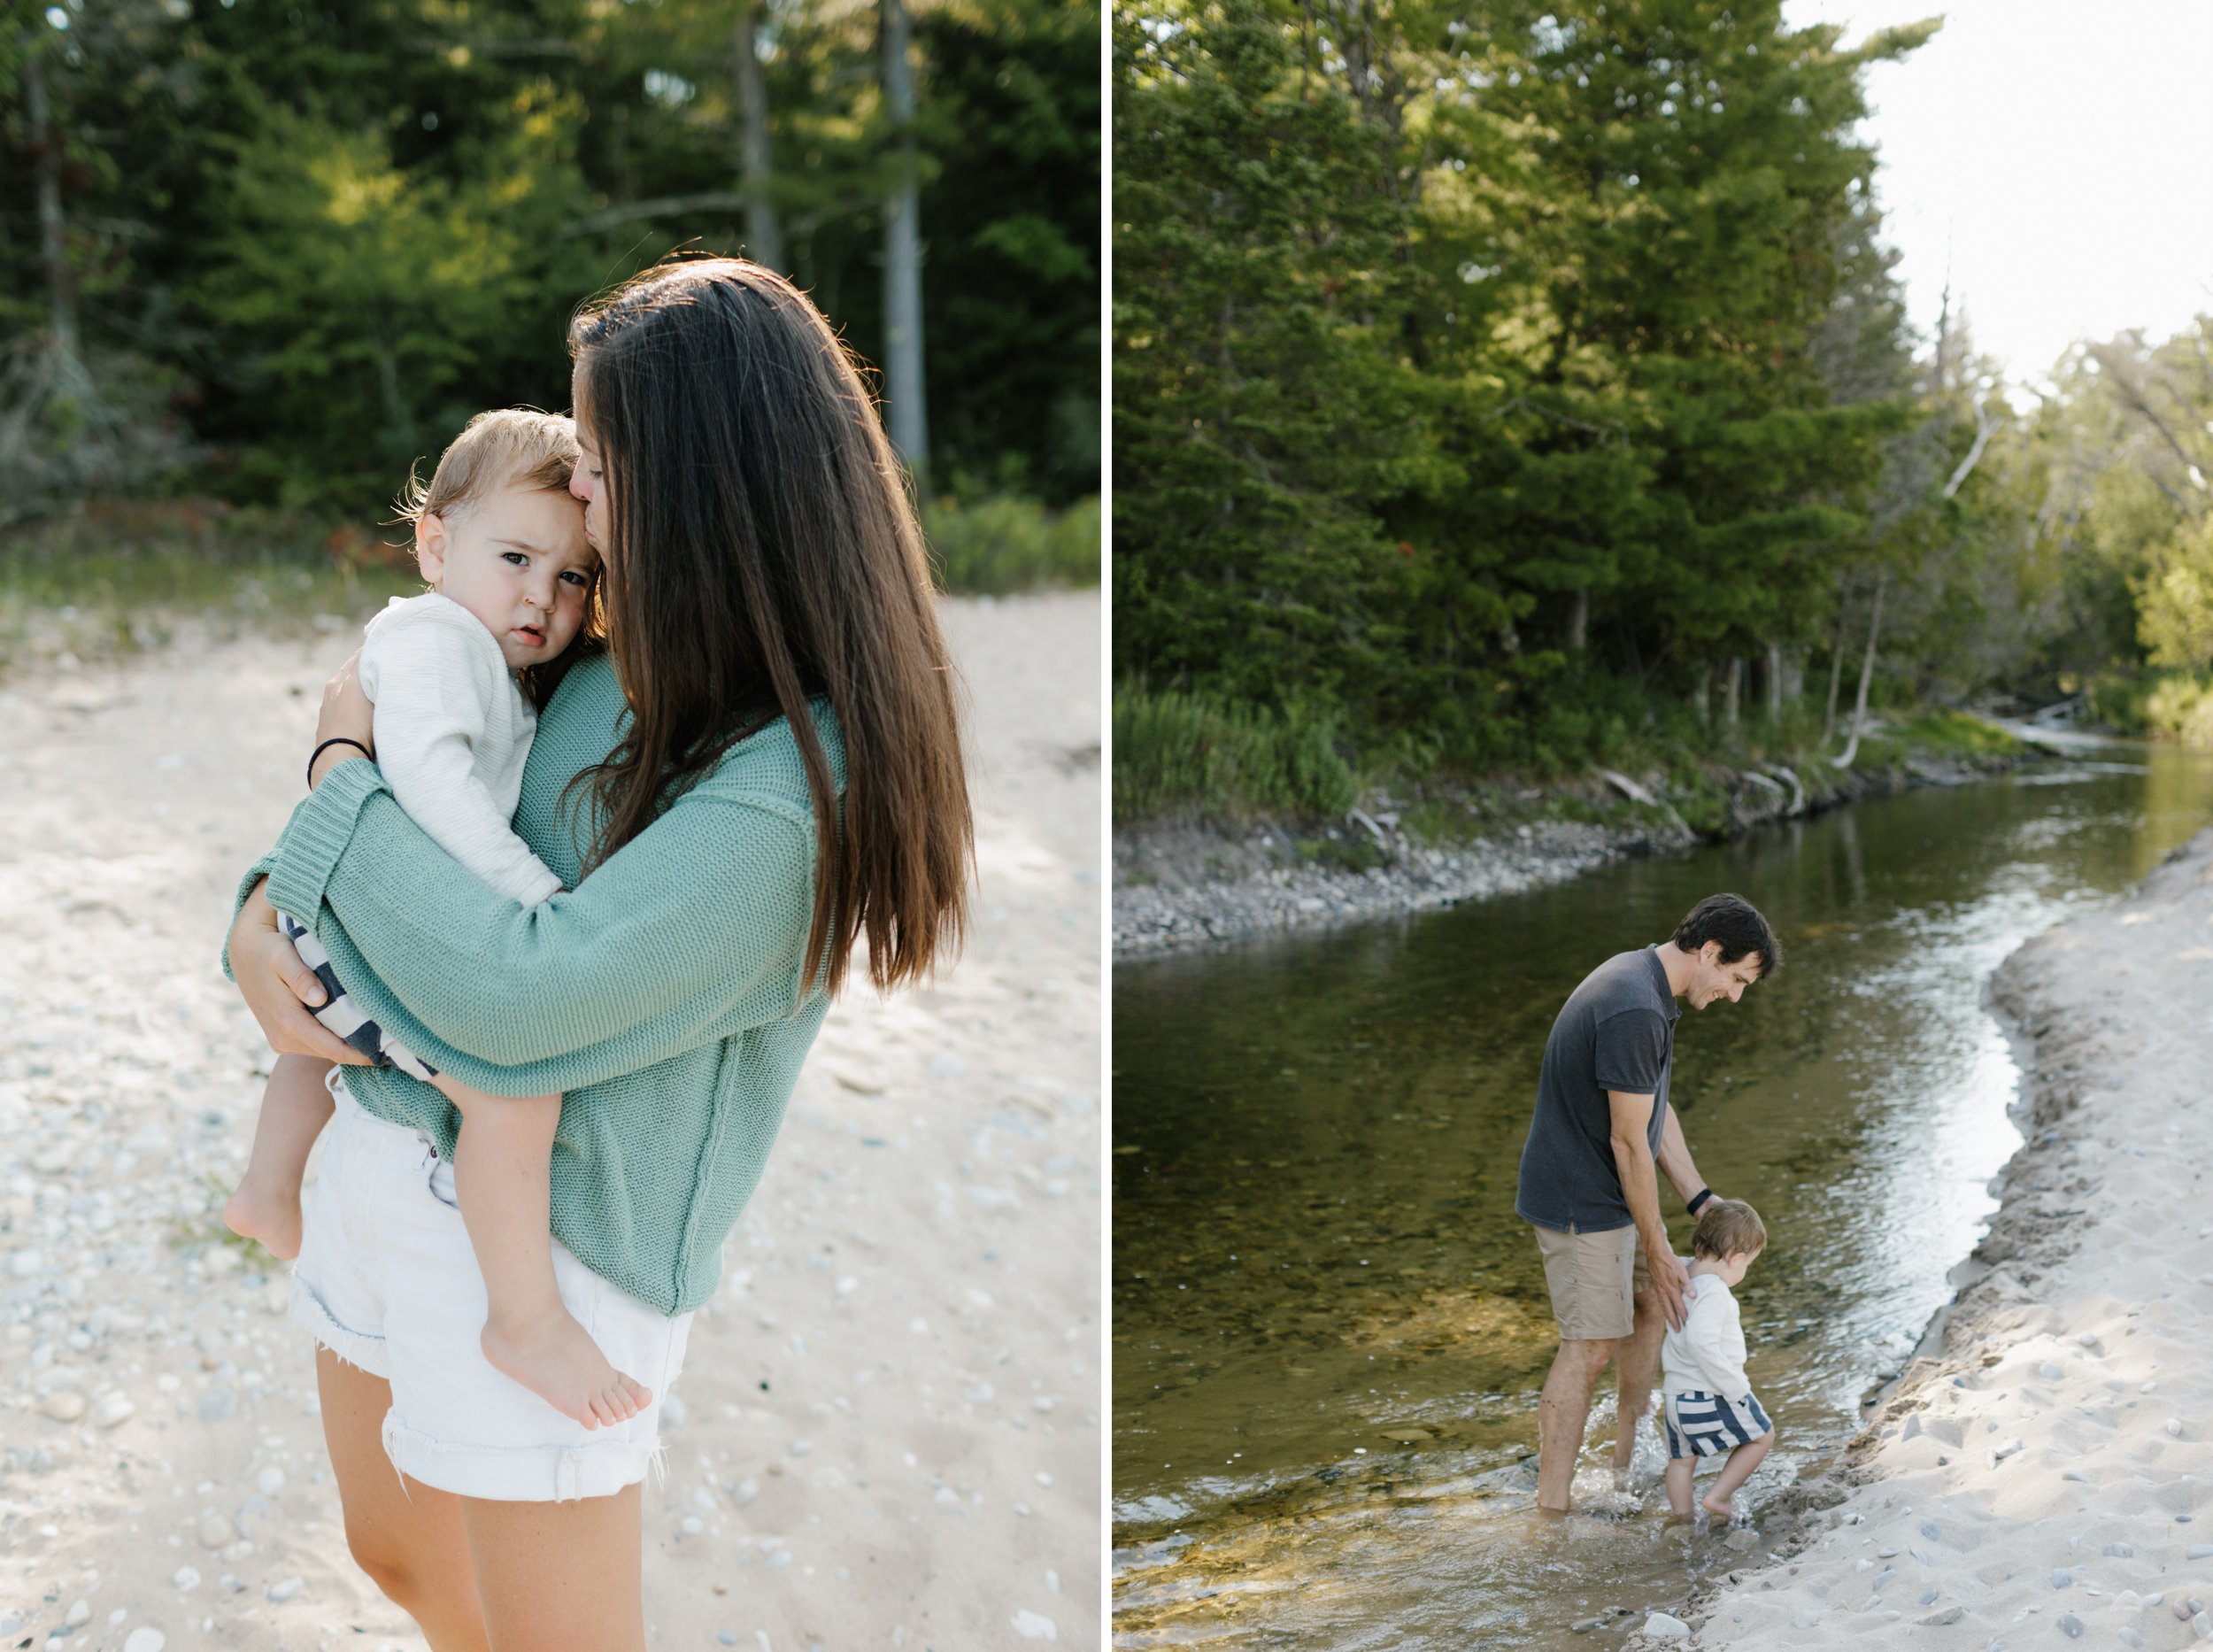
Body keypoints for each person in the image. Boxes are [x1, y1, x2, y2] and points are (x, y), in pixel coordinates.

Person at [223, 259, 972, 1652]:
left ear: (701, 483)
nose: (581, 496)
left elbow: (523, 995)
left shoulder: (802, 780)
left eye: (608, 464)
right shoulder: (593, 651)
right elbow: (422, 810)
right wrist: (260, 907)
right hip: (382, 1149)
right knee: (400, 1562)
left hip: (557, 1255)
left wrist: (328, 770)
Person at [222, 407, 655, 1430]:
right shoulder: (433, 641)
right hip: (379, 911)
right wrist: (526, 890)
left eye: (571, 579)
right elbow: (424, 778)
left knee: (313, 1048)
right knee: (512, 1099)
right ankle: (524, 1319)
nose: (540, 597)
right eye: (514, 558)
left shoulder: (481, 654)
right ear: (433, 544)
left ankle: (267, 1187)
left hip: (351, 909)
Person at [1514, 892, 1779, 1514]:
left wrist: (1701, 1202)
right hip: (1579, 1198)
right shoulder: (1634, 1004)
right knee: (1589, 1346)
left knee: (1656, 1308)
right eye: (1736, 978)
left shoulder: (1654, 989)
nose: (1735, 996)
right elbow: (1628, 1140)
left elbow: (1657, 1111)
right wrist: (1659, 1245)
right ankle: (1550, 1512)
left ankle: (1620, 1470)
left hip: (1613, 1193)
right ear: (1710, 952)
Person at [1658, 1198, 1773, 1522]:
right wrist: (1736, 1387)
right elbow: (1701, 1343)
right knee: (1763, 1436)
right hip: (1706, 1392)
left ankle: (1682, 1518)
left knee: (1681, 1461)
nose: (1745, 1270)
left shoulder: (1681, 1275)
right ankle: (1719, 1498)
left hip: (1675, 1398)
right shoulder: (1714, 1292)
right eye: (1748, 1263)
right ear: (1736, 1259)